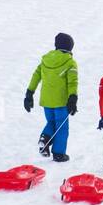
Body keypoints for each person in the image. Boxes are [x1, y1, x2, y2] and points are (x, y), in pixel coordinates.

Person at [23, 33, 79, 162]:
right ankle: (59, 153)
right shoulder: (70, 62)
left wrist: (29, 93)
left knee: (51, 122)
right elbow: (72, 82)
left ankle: (44, 138)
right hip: (61, 101)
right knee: (62, 126)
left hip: (46, 101)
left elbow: (36, 76)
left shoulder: (45, 60)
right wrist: (72, 98)